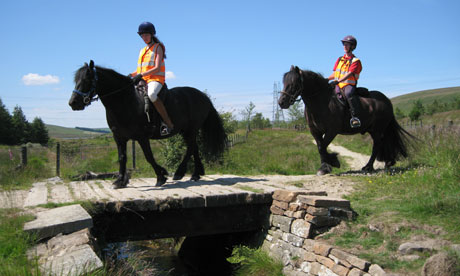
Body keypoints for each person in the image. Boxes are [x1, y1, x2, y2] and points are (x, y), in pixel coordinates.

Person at [131, 21, 174, 135]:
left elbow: (156, 67)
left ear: (152, 34)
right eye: (142, 35)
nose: (144, 37)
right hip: (143, 79)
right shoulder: (142, 50)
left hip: (156, 79)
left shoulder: (158, 47)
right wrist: (131, 75)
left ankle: (167, 123)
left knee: (151, 95)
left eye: (146, 35)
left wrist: (141, 75)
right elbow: (141, 70)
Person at [328, 35, 363, 128]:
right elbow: (335, 74)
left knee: (348, 94)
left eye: (347, 44)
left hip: (348, 85)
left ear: (352, 47)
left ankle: (355, 117)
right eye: (344, 44)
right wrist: (326, 79)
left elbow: (350, 74)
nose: (345, 46)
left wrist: (338, 81)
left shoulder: (356, 61)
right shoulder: (340, 59)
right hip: (338, 84)